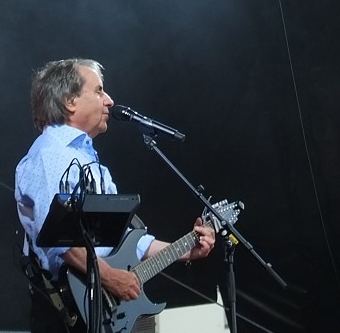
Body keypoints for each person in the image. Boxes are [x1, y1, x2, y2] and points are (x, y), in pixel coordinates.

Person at [15, 58, 216, 333]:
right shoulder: (50, 154)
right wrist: (110, 278)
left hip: (101, 307)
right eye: (98, 91)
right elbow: (58, 241)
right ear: (69, 101)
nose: (109, 101)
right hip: (68, 313)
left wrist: (187, 249)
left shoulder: (93, 164)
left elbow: (127, 242)